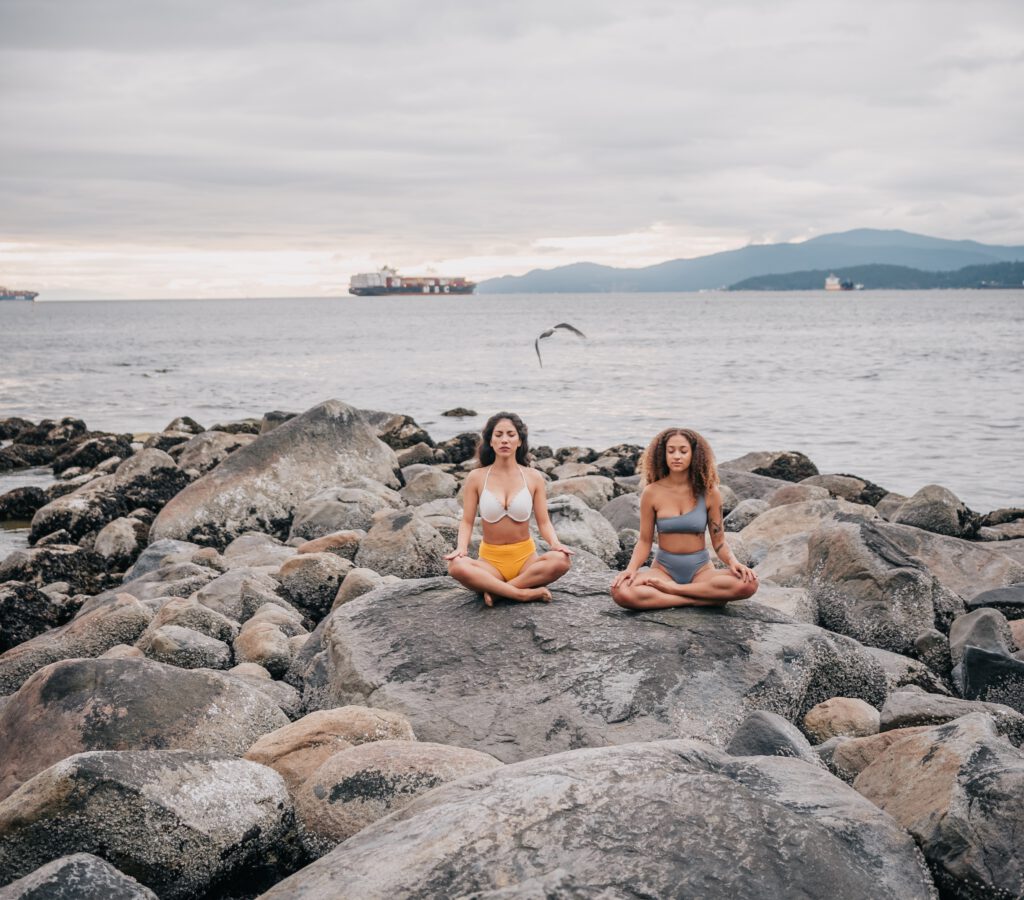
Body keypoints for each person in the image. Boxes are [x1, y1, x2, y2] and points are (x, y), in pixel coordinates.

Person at [611, 427, 757, 609]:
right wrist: (630, 570)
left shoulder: (710, 492)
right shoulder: (652, 492)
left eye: (683, 451)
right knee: (621, 591)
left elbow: (719, 542)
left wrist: (734, 563)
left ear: (694, 455)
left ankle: (673, 592)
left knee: (749, 583)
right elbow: (644, 541)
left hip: (701, 571)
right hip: (663, 570)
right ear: (662, 455)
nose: (677, 456)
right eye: (671, 451)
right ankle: (696, 598)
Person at [446, 411, 573, 605]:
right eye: (498, 435)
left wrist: (555, 544)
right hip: (490, 563)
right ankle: (521, 593)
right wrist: (461, 549)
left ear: (520, 441)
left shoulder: (533, 477)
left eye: (511, 435)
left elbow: (544, 521)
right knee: (456, 566)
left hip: (525, 561)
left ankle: (497, 592)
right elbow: (467, 521)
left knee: (562, 560)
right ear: (490, 441)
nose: (504, 440)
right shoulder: (477, 477)